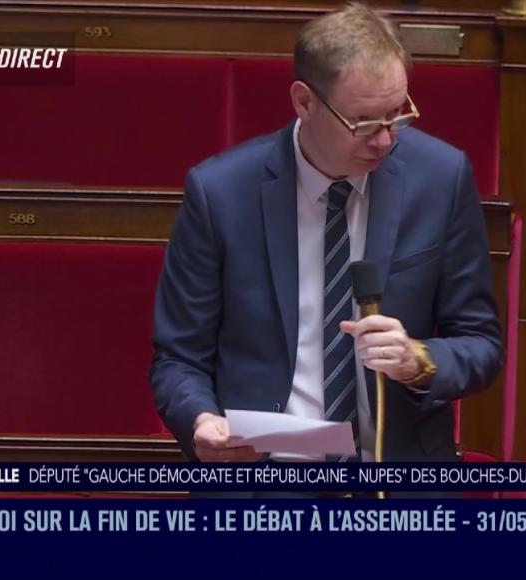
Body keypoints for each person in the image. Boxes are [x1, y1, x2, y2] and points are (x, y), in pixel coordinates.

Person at [149, 2, 501, 466]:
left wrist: (420, 360)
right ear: (305, 101)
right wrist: (201, 420)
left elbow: (481, 344)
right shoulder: (221, 194)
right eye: (364, 122)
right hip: (265, 475)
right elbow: (178, 359)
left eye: (397, 114)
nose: (385, 140)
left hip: (393, 476)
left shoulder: (440, 178)